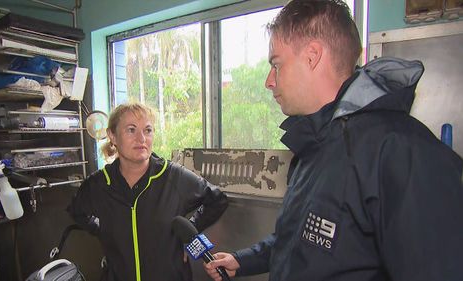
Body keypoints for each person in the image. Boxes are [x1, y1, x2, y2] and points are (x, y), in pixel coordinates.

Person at [203, 0, 463, 281]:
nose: (269, 80)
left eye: (276, 65)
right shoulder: (314, 147)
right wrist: (242, 261)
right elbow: (296, 242)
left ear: (313, 56)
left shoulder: (401, 151)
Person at [68, 103, 228, 281]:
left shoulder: (173, 177)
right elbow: (77, 211)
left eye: (148, 130)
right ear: (112, 136)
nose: (141, 138)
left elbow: (217, 199)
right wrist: (103, 232)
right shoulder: (98, 184)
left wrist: (188, 234)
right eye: (131, 130)